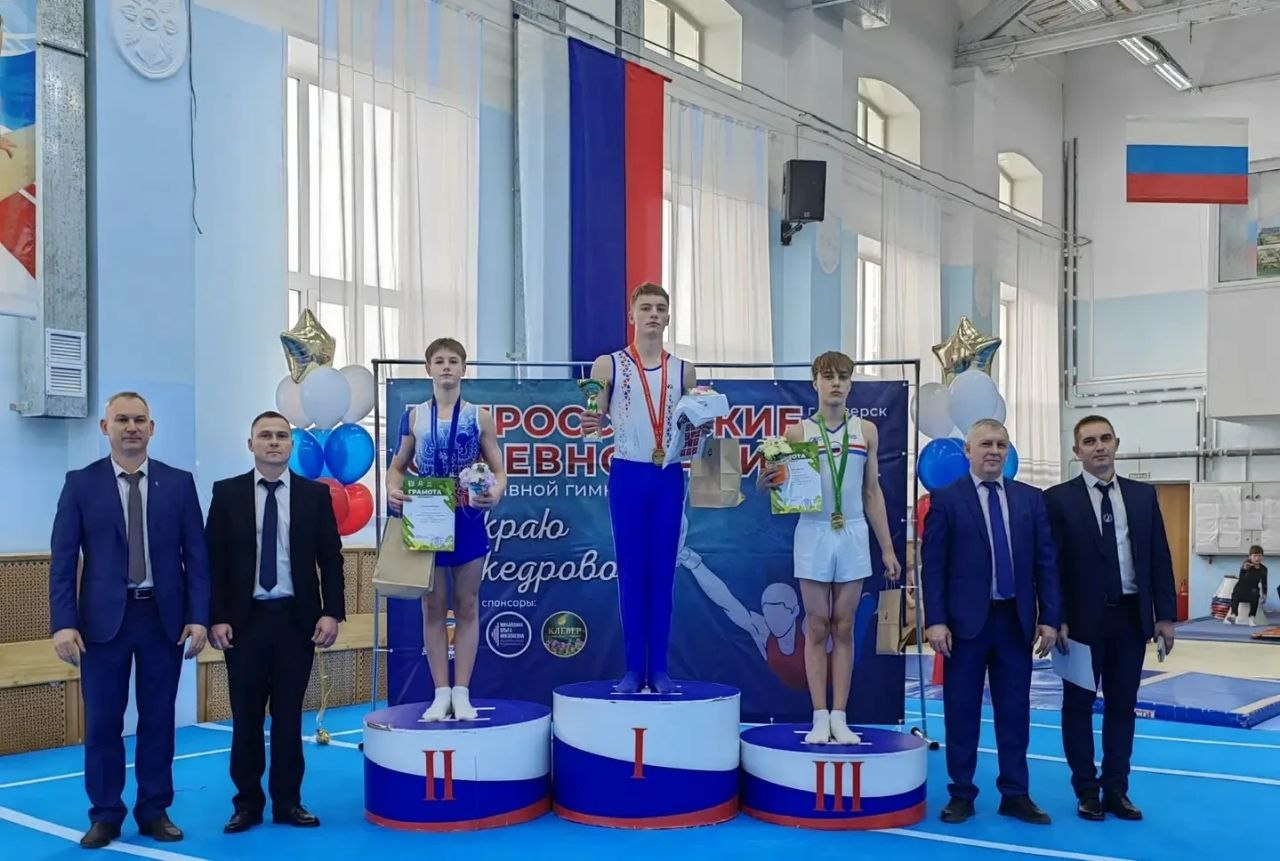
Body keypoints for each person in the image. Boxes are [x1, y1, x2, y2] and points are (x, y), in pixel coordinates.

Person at [49, 392, 209, 849]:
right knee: (102, 723)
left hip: (162, 619)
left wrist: (199, 617)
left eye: (140, 420)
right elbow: (63, 559)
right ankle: (105, 814)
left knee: (159, 719)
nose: (132, 427)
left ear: (152, 428)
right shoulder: (80, 484)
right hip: (100, 625)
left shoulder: (179, 484)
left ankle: (154, 810)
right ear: (106, 428)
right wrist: (63, 622)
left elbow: (197, 557)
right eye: (122, 420)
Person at [205, 411, 346, 833]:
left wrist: (331, 611)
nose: (273, 442)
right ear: (250, 444)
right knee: (246, 716)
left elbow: (331, 559)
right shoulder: (227, 493)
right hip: (243, 624)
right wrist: (216, 617)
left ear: (291, 445)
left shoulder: (314, 495)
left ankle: (288, 802)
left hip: (295, 621)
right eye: (265, 435)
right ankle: (247, 804)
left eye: (281, 436)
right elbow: (213, 561)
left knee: (288, 717)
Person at [755, 351, 901, 744]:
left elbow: (872, 492)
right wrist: (767, 483)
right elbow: (777, 484)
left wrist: (887, 549)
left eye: (843, 377)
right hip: (814, 531)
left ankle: (841, 715)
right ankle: (819, 715)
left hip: (852, 531)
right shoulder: (797, 434)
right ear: (815, 383)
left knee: (845, 625)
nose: (836, 383)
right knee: (817, 624)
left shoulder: (866, 431)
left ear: (851, 384)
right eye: (828, 376)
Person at [922, 418, 1059, 825]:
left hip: (1015, 622)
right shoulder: (946, 500)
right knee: (961, 710)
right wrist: (935, 620)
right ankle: (961, 793)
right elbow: (934, 566)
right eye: (985, 444)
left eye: (1001, 444)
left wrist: (1050, 617)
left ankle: (1015, 793)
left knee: (1015, 711)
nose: (994, 451)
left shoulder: (1031, 500)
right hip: (964, 625)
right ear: (968, 450)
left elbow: (1046, 563)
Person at [1044, 414, 1177, 823]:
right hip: (1079, 625)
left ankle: (1117, 788)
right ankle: (1086, 789)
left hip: (1130, 619)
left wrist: (1165, 616)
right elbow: (1051, 565)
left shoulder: (1142, 495)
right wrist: (1055, 616)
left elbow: (1159, 556)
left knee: (1123, 706)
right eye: (1089, 441)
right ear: (1076, 451)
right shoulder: (1057, 499)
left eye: (1105, 438)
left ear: (1116, 443)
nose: (1099, 446)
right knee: (1078, 707)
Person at [580, 282, 696, 694]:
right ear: (631, 315)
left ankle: (659, 669)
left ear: (668, 318)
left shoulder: (684, 370)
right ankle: (633, 669)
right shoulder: (607, 365)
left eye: (660, 308)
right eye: (645, 307)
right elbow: (595, 415)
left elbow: (694, 427)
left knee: (663, 573)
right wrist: (592, 420)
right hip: (628, 473)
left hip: (669, 476)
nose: (653, 314)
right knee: (631, 572)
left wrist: (703, 425)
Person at [388, 338, 507, 720]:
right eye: (439, 361)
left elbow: (500, 470)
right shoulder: (413, 417)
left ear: (463, 369)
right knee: (433, 606)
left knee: (467, 604)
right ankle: (441, 692)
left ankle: (462, 692)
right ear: (428, 369)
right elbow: (397, 467)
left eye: (453, 361)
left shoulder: (479, 417)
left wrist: (495, 492)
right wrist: (392, 489)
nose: (446, 367)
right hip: (427, 514)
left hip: (467, 515)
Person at [1226, 546, 1268, 625]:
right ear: (1250, 556)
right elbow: (1242, 576)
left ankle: (1252, 618)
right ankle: (1233, 615)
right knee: (1236, 593)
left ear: (1262, 556)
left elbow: (1264, 583)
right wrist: (1245, 568)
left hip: (1252, 591)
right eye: (1255, 556)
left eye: (1259, 556)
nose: (1257, 558)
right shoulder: (1246, 564)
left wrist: (1265, 595)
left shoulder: (1264, 569)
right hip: (1241, 589)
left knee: (1255, 594)